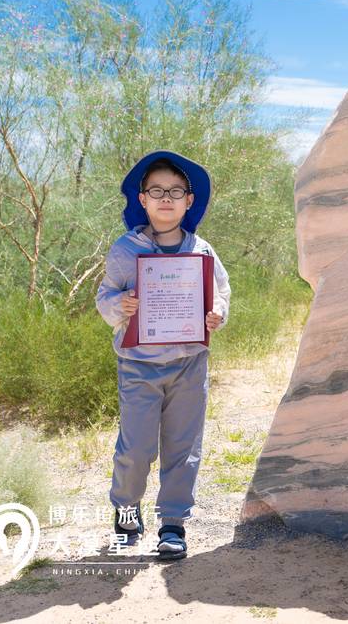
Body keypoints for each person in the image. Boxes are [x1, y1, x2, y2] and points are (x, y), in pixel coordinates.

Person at [96, 150, 231, 560]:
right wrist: (121, 304)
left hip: (189, 365)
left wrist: (216, 314)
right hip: (139, 366)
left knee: (183, 447)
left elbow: (220, 292)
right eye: (156, 191)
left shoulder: (202, 251)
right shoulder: (125, 250)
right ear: (143, 199)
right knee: (136, 448)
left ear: (189, 200)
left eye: (175, 191)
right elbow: (105, 296)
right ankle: (126, 511)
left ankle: (173, 523)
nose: (166, 198)